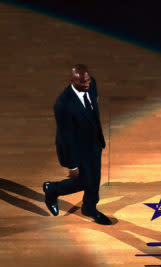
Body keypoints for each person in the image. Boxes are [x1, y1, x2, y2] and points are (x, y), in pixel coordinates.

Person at [43, 64, 111, 225]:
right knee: (85, 181)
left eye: (88, 80)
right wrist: (72, 165)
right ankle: (52, 189)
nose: (87, 84)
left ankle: (89, 207)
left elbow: (92, 109)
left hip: (94, 143)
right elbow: (66, 137)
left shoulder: (92, 84)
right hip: (77, 149)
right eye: (83, 83)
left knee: (94, 179)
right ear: (72, 81)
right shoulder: (63, 105)